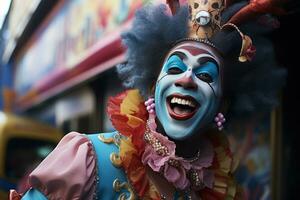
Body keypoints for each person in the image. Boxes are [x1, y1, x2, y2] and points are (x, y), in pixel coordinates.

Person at [10, 0, 286, 199]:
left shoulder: (217, 189)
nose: (186, 79)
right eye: (176, 68)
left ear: (222, 105)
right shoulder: (85, 159)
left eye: (205, 75)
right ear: (154, 87)